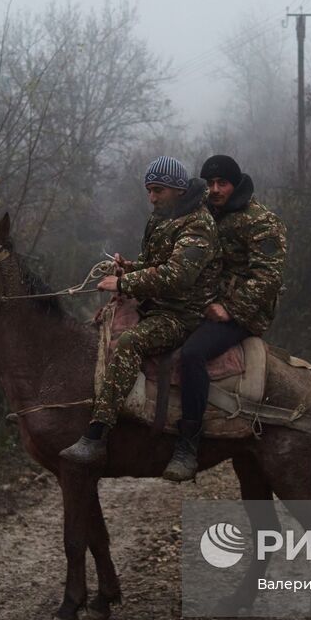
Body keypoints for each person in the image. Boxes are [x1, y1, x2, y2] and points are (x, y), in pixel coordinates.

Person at [60, 156, 220, 466]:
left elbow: (178, 275)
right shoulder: (163, 217)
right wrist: (129, 268)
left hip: (181, 314)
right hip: (156, 303)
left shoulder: (198, 224)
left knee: (129, 342)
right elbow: (155, 264)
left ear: (178, 189)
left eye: (158, 190)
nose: (152, 197)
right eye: (149, 190)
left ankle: (97, 434)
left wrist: (124, 283)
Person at [163, 154, 288, 481]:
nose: (216, 189)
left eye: (223, 183)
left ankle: (189, 445)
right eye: (211, 183)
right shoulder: (204, 214)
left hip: (243, 312)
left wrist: (231, 309)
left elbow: (268, 276)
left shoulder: (261, 221)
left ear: (235, 183)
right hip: (204, 303)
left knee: (193, 353)